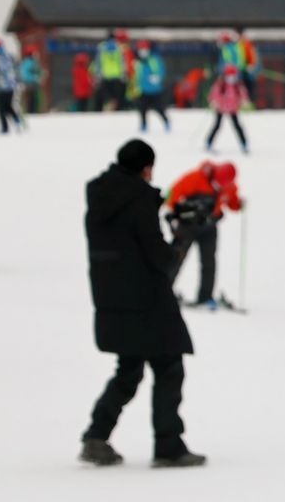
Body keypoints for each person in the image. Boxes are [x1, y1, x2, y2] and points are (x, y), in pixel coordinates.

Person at [80, 139, 203, 468]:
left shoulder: (100, 198)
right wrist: (182, 234)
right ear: (146, 168)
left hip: (111, 298)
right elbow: (158, 256)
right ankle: (168, 444)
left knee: (129, 369)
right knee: (168, 367)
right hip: (146, 300)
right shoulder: (139, 201)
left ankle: (96, 435)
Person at [166, 160, 242, 308]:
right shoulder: (195, 178)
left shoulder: (229, 187)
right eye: (216, 183)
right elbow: (172, 193)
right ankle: (162, 292)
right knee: (175, 258)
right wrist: (173, 213)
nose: (218, 187)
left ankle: (205, 297)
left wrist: (238, 204)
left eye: (222, 185)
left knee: (209, 262)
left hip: (209, 227)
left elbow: (232, 202)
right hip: (187, 226)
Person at [205, 65, 249, 153]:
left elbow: (243, 94)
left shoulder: (238, 85)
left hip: (233, 108)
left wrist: (244, 101)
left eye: (233, 76)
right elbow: (214, 94)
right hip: (221, 108)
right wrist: (214, 102)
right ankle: (209, 142)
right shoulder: (220, 84)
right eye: (229, 75)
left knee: (237, 126)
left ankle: (244, 144)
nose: (231, 78)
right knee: (217, 125)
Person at [0, 39, 22, 134]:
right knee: (8, 106)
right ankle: (17, 121)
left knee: (1, 108)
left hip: (0, 87)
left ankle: (4, 127)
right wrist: (18, 81)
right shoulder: (9, 56)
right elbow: (17, 69)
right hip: (11, 86)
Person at [134, 42, 170, 133]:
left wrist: (157, 77)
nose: (143, 52)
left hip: (155, 90)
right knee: (142, 109)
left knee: (159, 108)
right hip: (144, 90)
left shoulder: (155, 59)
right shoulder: (138, 62)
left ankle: (166, 122)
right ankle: (143, 125)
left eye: (144, 49)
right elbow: (138, 75)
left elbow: (161, 71)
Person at [94, 31, 127, 111]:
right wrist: (123, 74)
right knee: (116, 95)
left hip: (105, 75)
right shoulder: (119, 48)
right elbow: (122, 62)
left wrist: (97, 74)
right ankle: (115, 108)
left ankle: (108, 106)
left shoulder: (101, 48)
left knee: (105, 94)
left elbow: (98, 62)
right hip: (117, 75)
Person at [17, 47, 42, 118]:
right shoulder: (30, 62)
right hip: (31, 82)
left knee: (31, 97)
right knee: (32, 97)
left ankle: (31, 111)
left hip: (30, 82)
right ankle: (32, 111)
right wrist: (34, 77)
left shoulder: (26, 62)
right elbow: (27, 73)